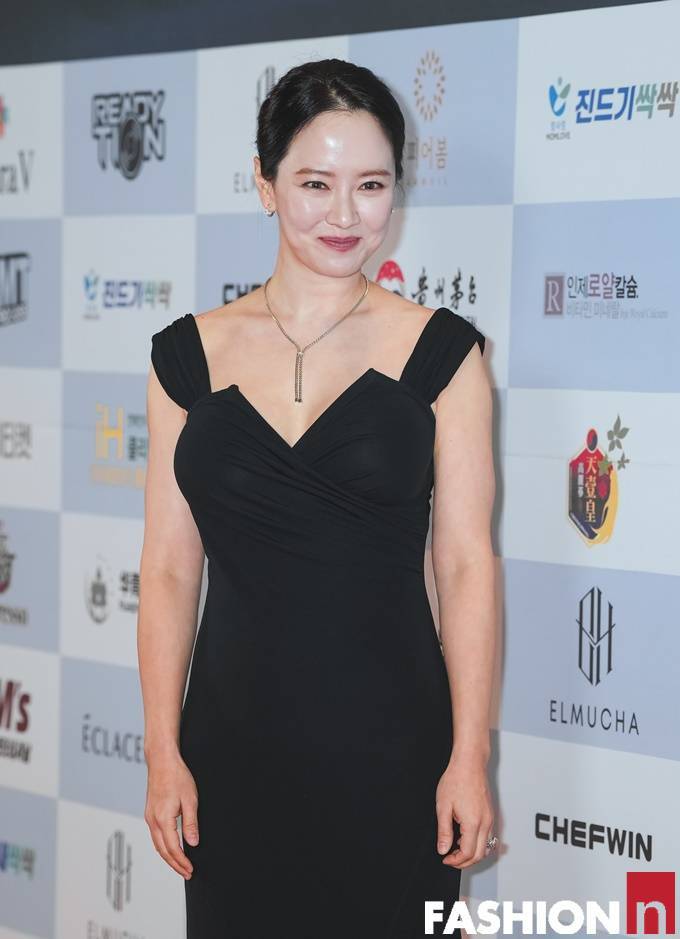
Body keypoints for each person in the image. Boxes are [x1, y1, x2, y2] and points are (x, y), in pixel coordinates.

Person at [137, 57, 497, 938]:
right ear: (265, 184)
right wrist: (161, 749)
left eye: (371, 184)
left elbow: (464, 563)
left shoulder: (444, 354)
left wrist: (469, 754)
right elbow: (170, 568)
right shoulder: (186, 356)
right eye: (315, 183)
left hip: (395, 752)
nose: (345, 214)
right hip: (231, 751)